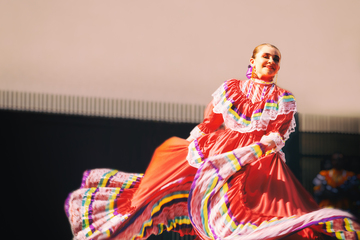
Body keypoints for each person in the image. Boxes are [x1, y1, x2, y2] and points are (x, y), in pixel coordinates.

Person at [65, 43, 360, 240]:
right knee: (163, 189)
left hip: (258, 160)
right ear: (253, 61)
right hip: (220, 151)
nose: (271, 61)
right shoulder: (231, 88)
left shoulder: (284, 98)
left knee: (276, 212)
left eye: (276, 58)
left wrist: (260, 146)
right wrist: (201, 141)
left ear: (279, 67)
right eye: (266, 56)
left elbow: (278, 133)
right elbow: (211, 122)